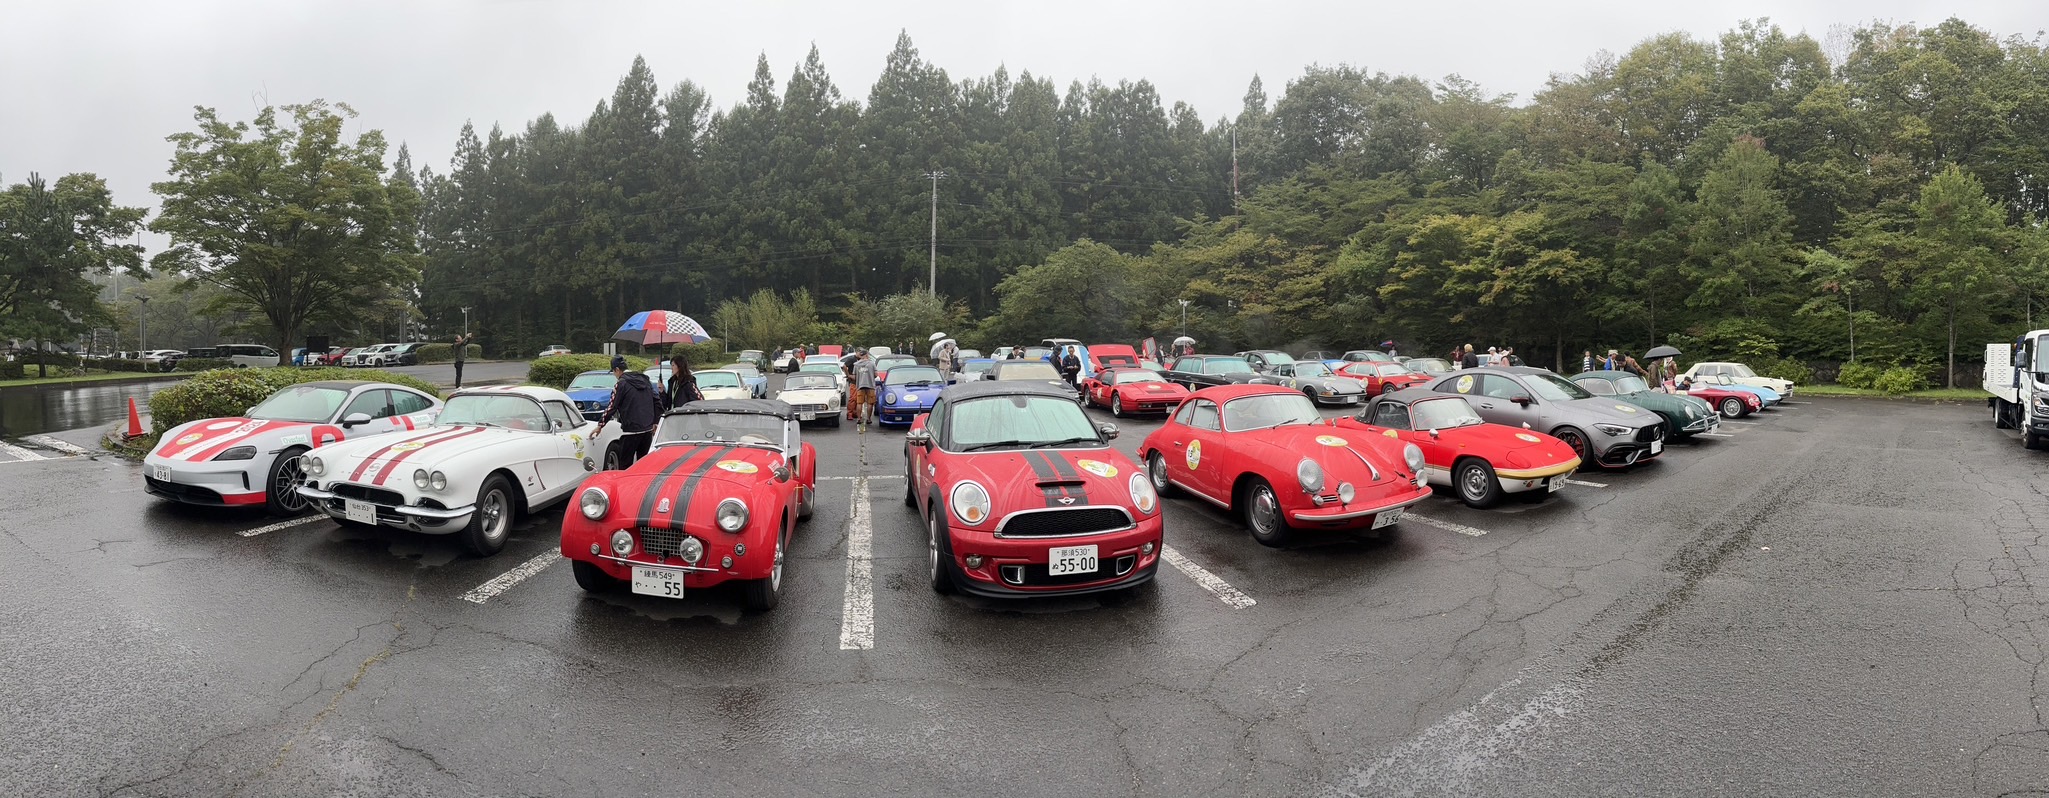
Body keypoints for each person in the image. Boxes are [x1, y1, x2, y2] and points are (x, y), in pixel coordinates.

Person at [594, 356, 660, 469]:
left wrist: (600, 425)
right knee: (644, 466)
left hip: (630, 431)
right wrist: (655, 421)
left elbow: (612, 407)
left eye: (614, 372)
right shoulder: (645, 380)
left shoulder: (621, 384)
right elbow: (657, 401)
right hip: (647, 430)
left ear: (617, 370)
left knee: (625, 466)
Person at [851, 350, 877, 427]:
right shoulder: (872, 363)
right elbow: (876, 374)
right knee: (870, 403)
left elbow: (854, 376)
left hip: (860, 385)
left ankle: (859, 418)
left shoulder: (856, 364)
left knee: (859, 403)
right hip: (870, 385)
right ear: (866, 355)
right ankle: (868, 419)